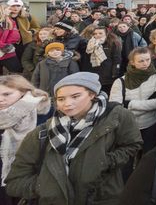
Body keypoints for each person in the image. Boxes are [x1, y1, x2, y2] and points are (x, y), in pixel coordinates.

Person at [5, 72, 143, 204]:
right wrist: (46, 187)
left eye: (75, 96)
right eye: (61, 99)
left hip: (102, 197)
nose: (67, 103)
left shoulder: (118, 116)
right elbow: (15, 181)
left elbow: (132, 145)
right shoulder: (41, 133)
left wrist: (105, 162)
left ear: (92, 94)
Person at [0, 75, 50, 205]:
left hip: (29, 177)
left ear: (23, 91)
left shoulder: (42, 113)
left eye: (7, 94)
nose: (1, 99)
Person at [110, 47, 156, 154]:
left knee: (147, 156)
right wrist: (148, 104)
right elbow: (116, 107)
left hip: (151, 124)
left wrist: (129, 104)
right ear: (132, 62)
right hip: (128, 127)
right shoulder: (120, 81)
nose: (145, 63)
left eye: (148, 60)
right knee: (127, 160)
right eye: (141, 61)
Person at [83, 26, 122, 94]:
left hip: (108, 73)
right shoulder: (90, 43)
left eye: (100, 33)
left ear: (106, 33)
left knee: (106, 93)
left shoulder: (113, 43)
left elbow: (117, 59)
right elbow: (86, 59)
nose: (97, 35)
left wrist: (115, 72)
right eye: (95, 33)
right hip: (94, 72)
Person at [0, 4, 23, 74]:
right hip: (6, 49)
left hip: (7, 52)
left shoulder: (9, 21)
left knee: (17, 72)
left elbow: (15, 36)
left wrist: (5, 47)